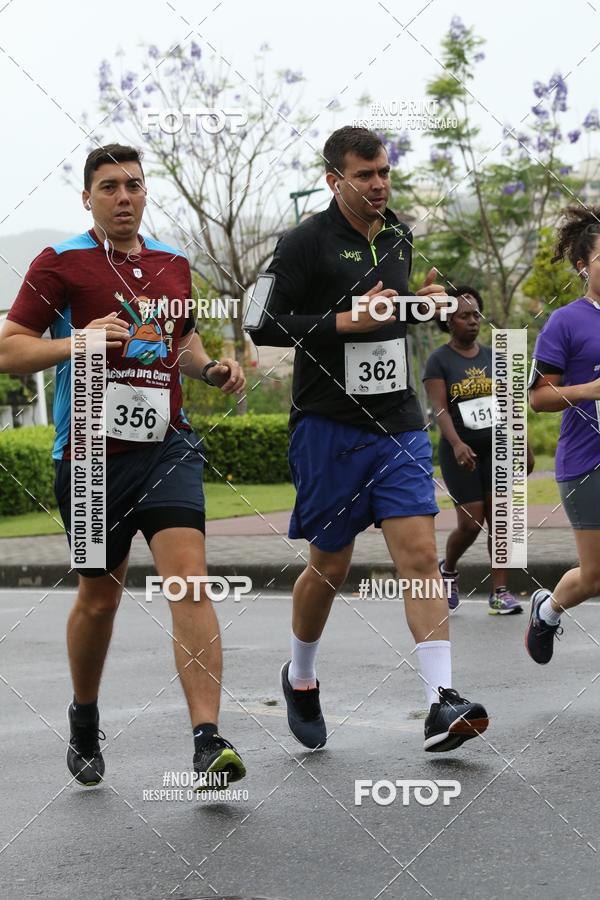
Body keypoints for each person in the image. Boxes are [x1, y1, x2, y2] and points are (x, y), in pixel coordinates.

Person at [0, 144, 247, 788]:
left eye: (133, 185)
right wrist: (78, 341)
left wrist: (211, 367)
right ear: (88, 198)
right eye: (108, 187)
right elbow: (9, 349)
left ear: (145, 193)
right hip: (88, 457)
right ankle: (84, 716)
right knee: (100, 598)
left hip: (168, 445)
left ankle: (206, 740)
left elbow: (181, 339)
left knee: (189, 581)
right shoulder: (60, 263)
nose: (123, 197)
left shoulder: (173, 264)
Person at [249, 126, 489, 753]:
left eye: (384, 172)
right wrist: (343, 320)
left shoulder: (399, 234)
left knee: (417, 554)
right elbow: (260, 322)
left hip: (398, 422)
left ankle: (441, 701)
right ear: (335, 180)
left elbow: (393, 309)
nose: (380, 184)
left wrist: (425, 304)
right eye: (365, 175)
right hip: (328, 425)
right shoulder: (303, 242)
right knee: (330, 565)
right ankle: (301, 676)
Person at [423, 286, 534, 614]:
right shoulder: (438, 361)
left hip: (496, 448)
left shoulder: (494, 357)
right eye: (464, 316)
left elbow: (512, 407)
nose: (472, 321)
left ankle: (500, 591)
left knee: (501, 519)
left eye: (475, 315)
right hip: (461, 451)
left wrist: (522, 446)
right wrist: (457, 444)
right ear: (448, 321)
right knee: (471, 523)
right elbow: (440, 410)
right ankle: (448, 569)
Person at [526, 205, 600, 664]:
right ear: (582, 265)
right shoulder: (565, 322)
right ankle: (548, 610)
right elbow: (539, 397)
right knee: (594, 577)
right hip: (587, 462)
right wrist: (590, 389)